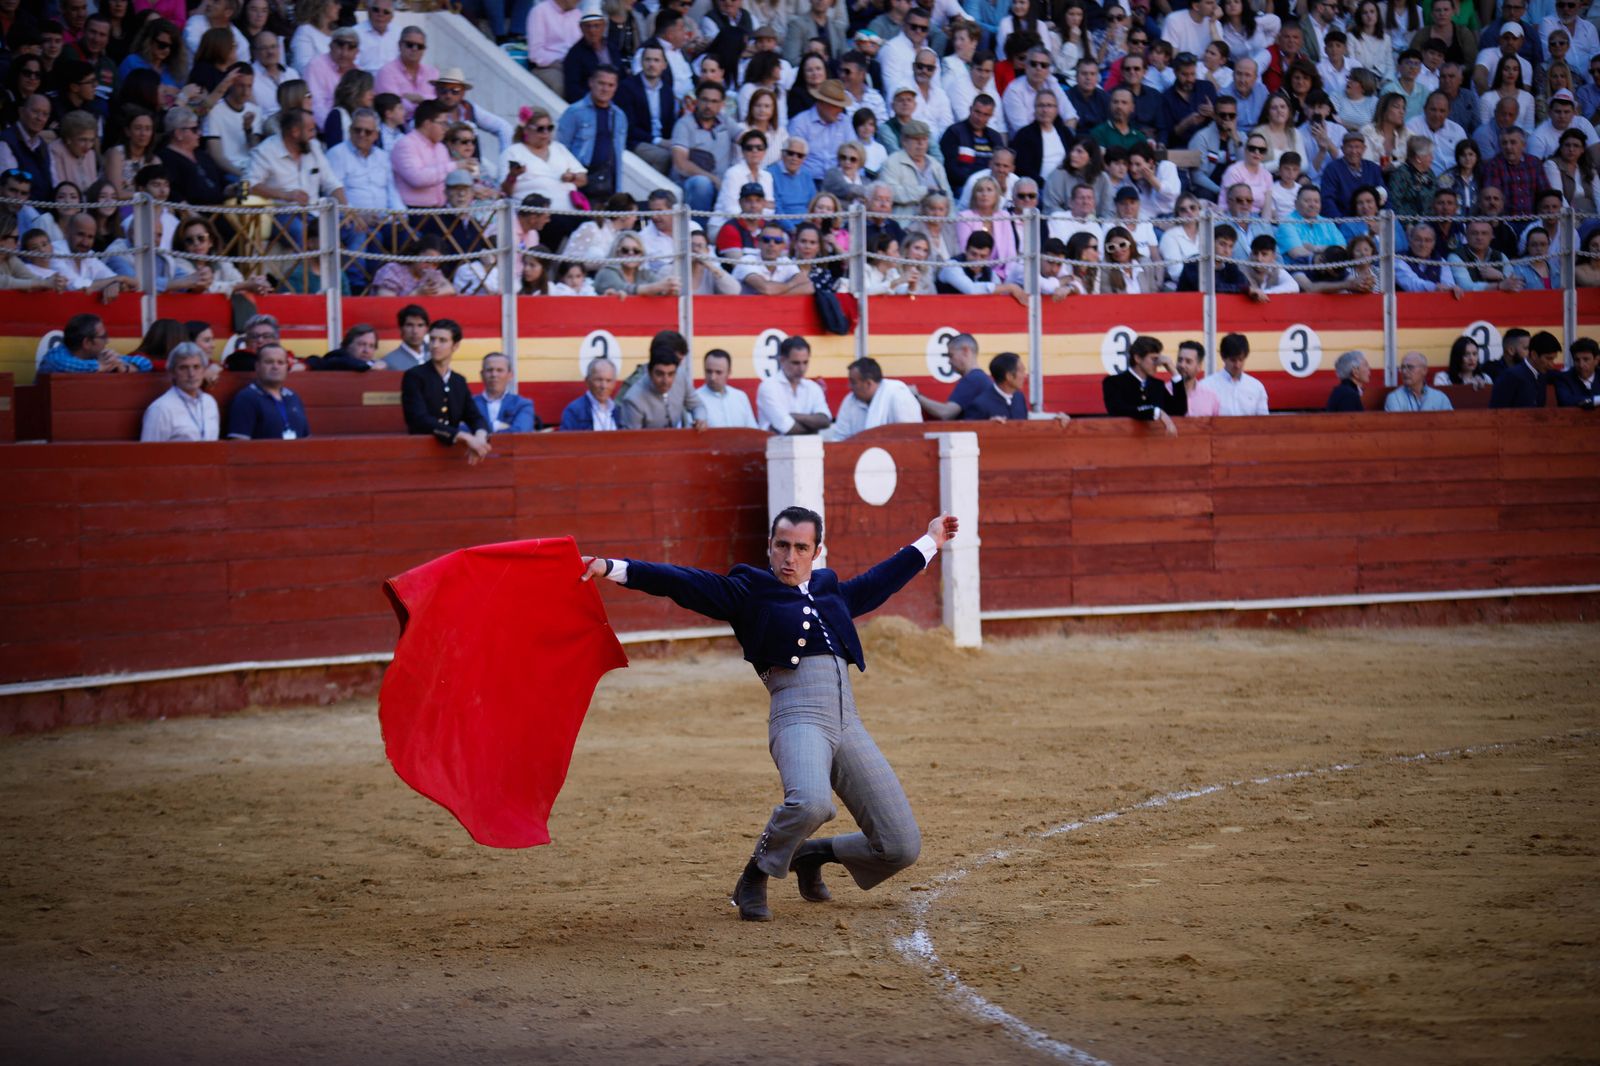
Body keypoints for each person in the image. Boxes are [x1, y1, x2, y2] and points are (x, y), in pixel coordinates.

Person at [580, 506, 959, 921]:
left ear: (817, 552)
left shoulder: (830, 589)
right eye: (782, 546)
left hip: (848, 721)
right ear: (769, 546)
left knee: (901, 846)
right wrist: (610, 567)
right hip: (798, 716)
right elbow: (682, 581)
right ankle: (756, 872)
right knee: (811, 803)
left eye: (801, 548)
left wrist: (932, 540)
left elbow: (882, 578)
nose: (789, 558)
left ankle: (812, 854)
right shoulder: (749, 590)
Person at [400, 317, 492, 462]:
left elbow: (474, 417)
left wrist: (480, 436)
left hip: (451, 457)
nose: (435, 345)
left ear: (455, 346)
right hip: (421, 454)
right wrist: (463, 436)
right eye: (432, 339)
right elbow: (418, 419)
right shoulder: (414, 376)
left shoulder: (458, 381)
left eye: (442, 340)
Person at [226, 342, 310, 439]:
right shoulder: (246, 399)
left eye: (280, 362)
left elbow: (305, 438)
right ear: (257, 366)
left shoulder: (293, 397)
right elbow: (238, 443)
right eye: (269, 362)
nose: (275, 367)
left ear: (287, 367)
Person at [824, 357, 922, 440]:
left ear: (868, 383)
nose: (849, 386)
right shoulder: (850, 400)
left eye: (853, 382)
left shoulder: (898, 395)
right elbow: (840, 438)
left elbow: (911, 436)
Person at [1102, 334, 1183, 433]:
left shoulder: (1157, 385)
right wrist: (1156, 411)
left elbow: (1179, 410)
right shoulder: (1114, 382)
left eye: (1158, 359)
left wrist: (1175, 373)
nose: (1158, 364)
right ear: (1138, 358)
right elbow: (1117, 410)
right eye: (1153, 359)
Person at [139, 343, 220, 441]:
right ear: (172, 372)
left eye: (196, 367)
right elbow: (149, 449)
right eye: (183, 368)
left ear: (204, 370)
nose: (191, 374)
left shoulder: (210, 402)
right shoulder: (160, 409)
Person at [757, 335, 830, 434]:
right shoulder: (768, 387)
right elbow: (789, 429)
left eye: (805, 362)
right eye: (796, 363)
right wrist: (813, 426)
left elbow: (825, 421)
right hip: (776, 444)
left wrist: (794, 416)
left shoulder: (813, 387)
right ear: (782, 360)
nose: (802, 369)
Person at [1200, 332, 1269, 416]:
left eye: (1241, 359)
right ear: (1223, 357)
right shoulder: (1206, 386)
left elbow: (1263, 420)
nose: (1237, 365)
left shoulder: (1256, 387)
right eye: (1233, 360)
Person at [1490, 329, 1559, 408]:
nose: (1551, 365)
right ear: (1534, 355)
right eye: (1548, 358)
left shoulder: (1542, 374)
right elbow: (1496, 411)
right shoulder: (1510, 376)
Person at [470, 352, 536, 433]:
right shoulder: (468, 404)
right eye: (489, 370)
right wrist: (497, 426)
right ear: (482, 375)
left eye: (499, 370)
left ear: (510, 375)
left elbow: (520, 432)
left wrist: (479, 430)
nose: (494, 374)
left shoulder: (522, 404)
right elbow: (459, 429)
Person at [695, 348, 758, 428]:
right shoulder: (694, 400)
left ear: (729, 372)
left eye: (718, 372)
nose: (712, 377)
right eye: (709, 371)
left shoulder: (740, 397)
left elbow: (752, 430)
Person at [559, 355, 623, 430]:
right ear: (587, 381)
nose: (604, 386)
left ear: (614, 383)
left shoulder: (618, 411)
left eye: (608, 381)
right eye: (599, 380)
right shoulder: (574, 411)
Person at [1384, 351, 1455, 411]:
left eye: (1410, 367)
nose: (1404, 371)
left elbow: (1450, 421)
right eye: (1402, 367)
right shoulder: (1395, 398)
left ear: (1424, 370)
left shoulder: (1440, 397)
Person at [1175, 340, 1220, 416]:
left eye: (1188, 361)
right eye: (1180, 360)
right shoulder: (1165, 392)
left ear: (1199, 366)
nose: (1182, 365)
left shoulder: (1211, 397)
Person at [382, 305, 431, 371]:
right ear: (401, 328)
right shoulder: (389, 363)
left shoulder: (435, 354)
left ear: (426, 329)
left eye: (420, 325)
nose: (415, 331)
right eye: (409, 325)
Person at [1553, 338, 1597, 409]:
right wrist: (1596, 400)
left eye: (1586, 359)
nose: (1581, 365)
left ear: (1596, 360)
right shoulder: (1564, 379)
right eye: (1577, 360)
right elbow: (1566, 401)